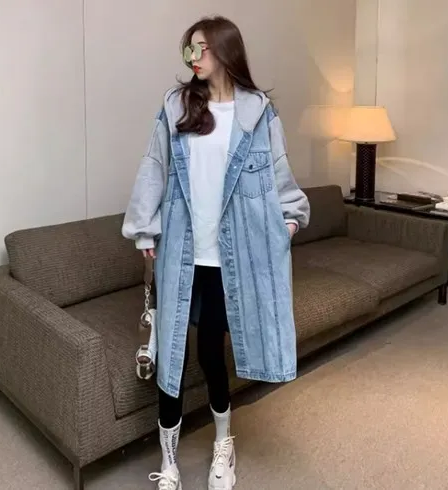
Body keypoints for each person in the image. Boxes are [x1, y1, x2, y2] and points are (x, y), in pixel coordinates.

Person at [122, 15, 310, 490]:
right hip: (182, 252)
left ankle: (224, 443)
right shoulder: (176, 104)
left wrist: (289, 219)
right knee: (172, 356)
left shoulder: (258, 112)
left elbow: (279, 174)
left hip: (233, 258)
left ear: (226, 50)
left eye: (201, 48)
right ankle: (168, 463)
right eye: (188, 49)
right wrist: (144, 230)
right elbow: (154, 167)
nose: (193, 57)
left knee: (211, 352)